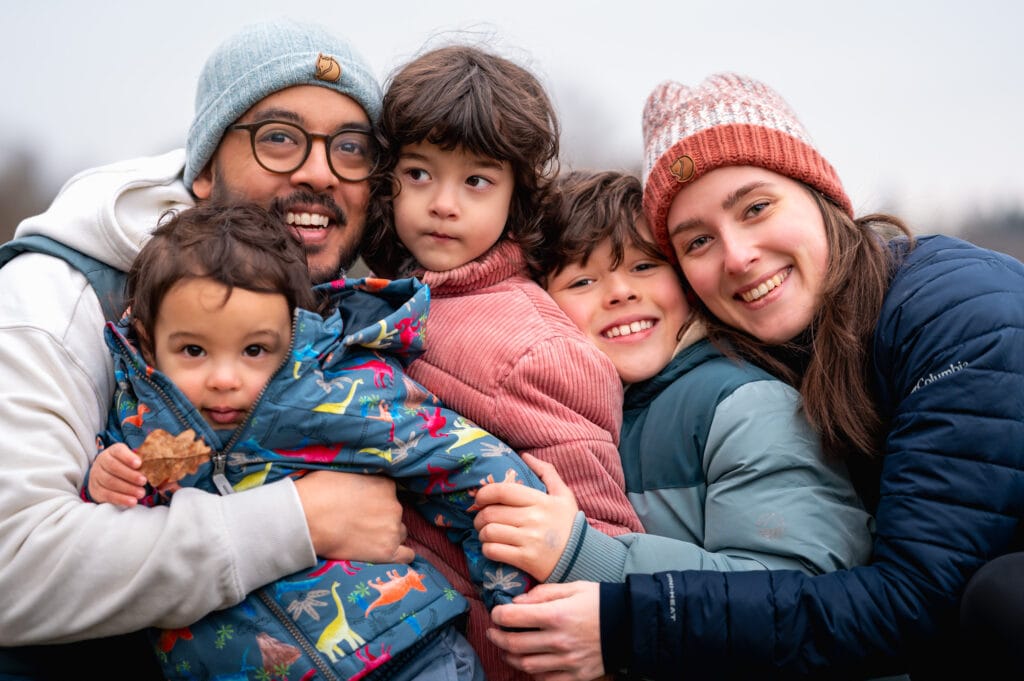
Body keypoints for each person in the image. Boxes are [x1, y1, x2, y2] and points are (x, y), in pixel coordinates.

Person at [484, 73, 1024, 680]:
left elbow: (917, 601)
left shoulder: (962, 316)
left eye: (756, 208)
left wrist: (626, 623)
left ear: (821, 195)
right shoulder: (775, 348)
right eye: (697, 241)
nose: (737, 256)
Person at [0, 20, 410, 679]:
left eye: (351, 147)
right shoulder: (54, 296)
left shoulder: (353, 315)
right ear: (203, 170)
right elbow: (13, 565)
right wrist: (301, 519)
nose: (318, 171)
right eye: (279, 138)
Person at [86, 201, 544, 681]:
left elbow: (471, 464)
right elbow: (111, 547)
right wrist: (103, 484)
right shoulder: (139, 425)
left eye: (255, 350)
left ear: (294, 334)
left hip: (404, 656)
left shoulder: (333, 393)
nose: (224, 378)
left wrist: (515, 604)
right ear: (148, 338)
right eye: (194, 350)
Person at [361, 44, 644, 680]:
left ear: (517, 194)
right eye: (418, 173)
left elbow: (596, 539)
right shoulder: (381, 307)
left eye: (477, 181)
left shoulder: (540, 347)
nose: (443, 203)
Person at [471, 169, 871, 588]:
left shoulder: (745, 406)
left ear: (685, 281)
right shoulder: (557, 415)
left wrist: (581, 554)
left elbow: (790, 594)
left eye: (644, 266)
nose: (620, 292)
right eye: (583, 281)